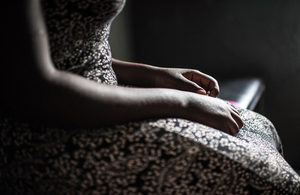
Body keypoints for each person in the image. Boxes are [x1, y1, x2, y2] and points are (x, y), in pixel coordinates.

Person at [0, 0, 299, 194]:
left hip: (103, 97)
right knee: (272, 181)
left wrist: (154, 75)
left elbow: (74, 53)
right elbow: (34, 87)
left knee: (258, 129)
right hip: (50, 132)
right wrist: (183, 102)